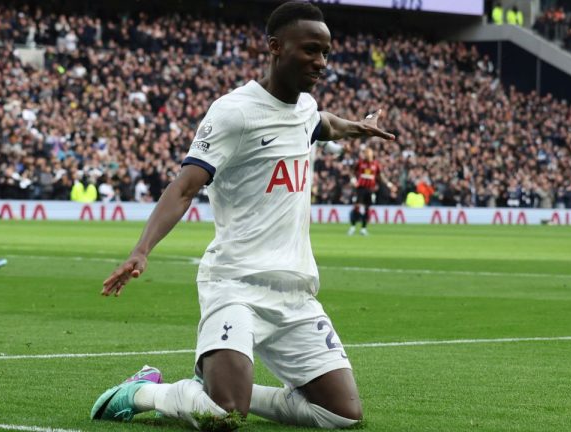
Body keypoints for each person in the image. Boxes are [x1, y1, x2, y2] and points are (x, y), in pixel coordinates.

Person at [90, 2, 395, 430]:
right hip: (234, 285)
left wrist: (355, 127)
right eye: (310, 50)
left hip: (296, 293)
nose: (321, 62)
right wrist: (141, 250)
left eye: (326, 52)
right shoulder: (235, 112)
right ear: (275, 47)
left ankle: (228, 390)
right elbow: (184, 187)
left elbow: (319, 123)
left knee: (341, 416)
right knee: (222, 415)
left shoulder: (305, 108)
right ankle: (143, 391)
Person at [347, 147, 394, 236]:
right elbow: (352, 172)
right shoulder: (360, 163)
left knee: (367, 209)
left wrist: (389, 184)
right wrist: (353, 180)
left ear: (371, 155)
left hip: (370, 189)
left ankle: (363, 229)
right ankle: (352, 227)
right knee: (357, 207)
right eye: (365, 154)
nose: (367, 155)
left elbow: (380, 176)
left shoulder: (376, 165)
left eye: (368, 154)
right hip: (360, 188)